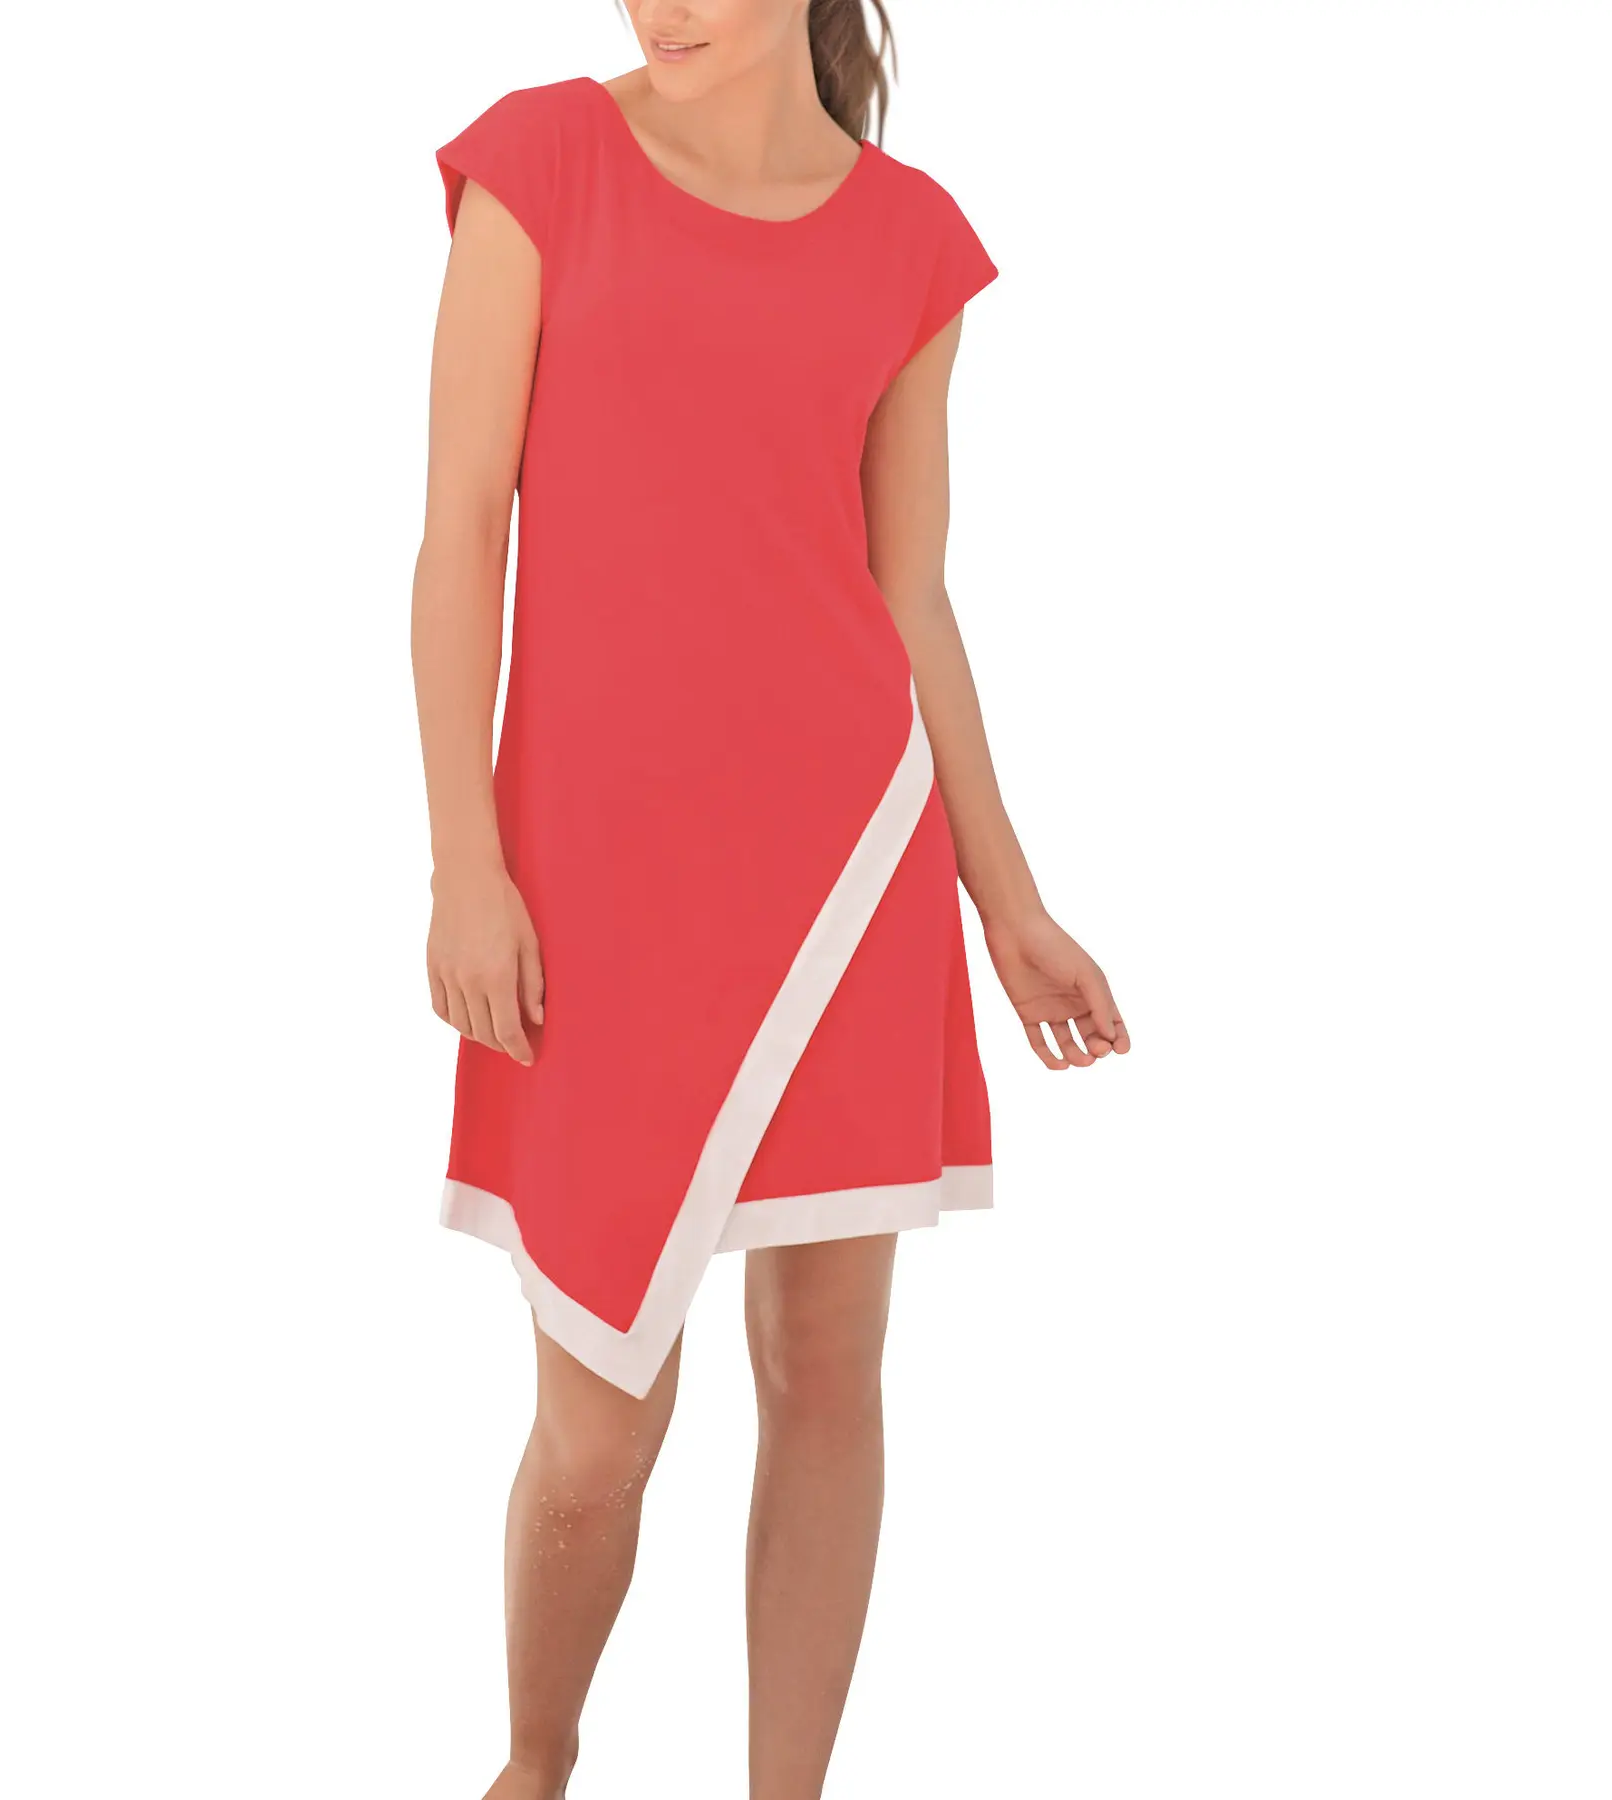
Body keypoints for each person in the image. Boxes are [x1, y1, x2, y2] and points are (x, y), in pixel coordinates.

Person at [410, 5, 1130, 1794]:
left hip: (844, 875)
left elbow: (911, 597)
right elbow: (460, 530)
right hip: (593, 892)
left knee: (825, 1367)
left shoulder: (914, 242)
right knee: (597, 1424)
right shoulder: (542, 162)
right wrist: (464, 861)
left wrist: (1006, 902)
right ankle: (534, 1765)